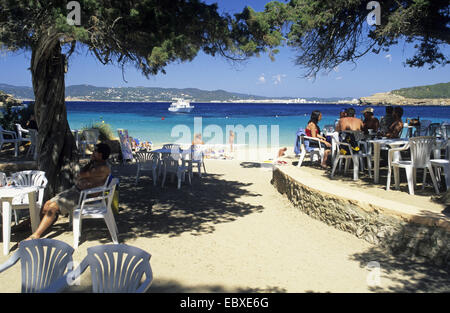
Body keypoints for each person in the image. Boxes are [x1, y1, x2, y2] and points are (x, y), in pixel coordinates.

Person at [25, 143, 111, 241]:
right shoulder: (96, 164)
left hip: (84, 197)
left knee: (53, 207)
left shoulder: (103, 168)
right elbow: (82, 172)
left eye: (95, 151)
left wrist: (90, 163)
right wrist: (91, 162)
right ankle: (33, 225)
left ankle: (36, 235)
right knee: (47, 204)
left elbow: (80, 175)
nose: (93, 152)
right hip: (76, 191)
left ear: (100, 154)